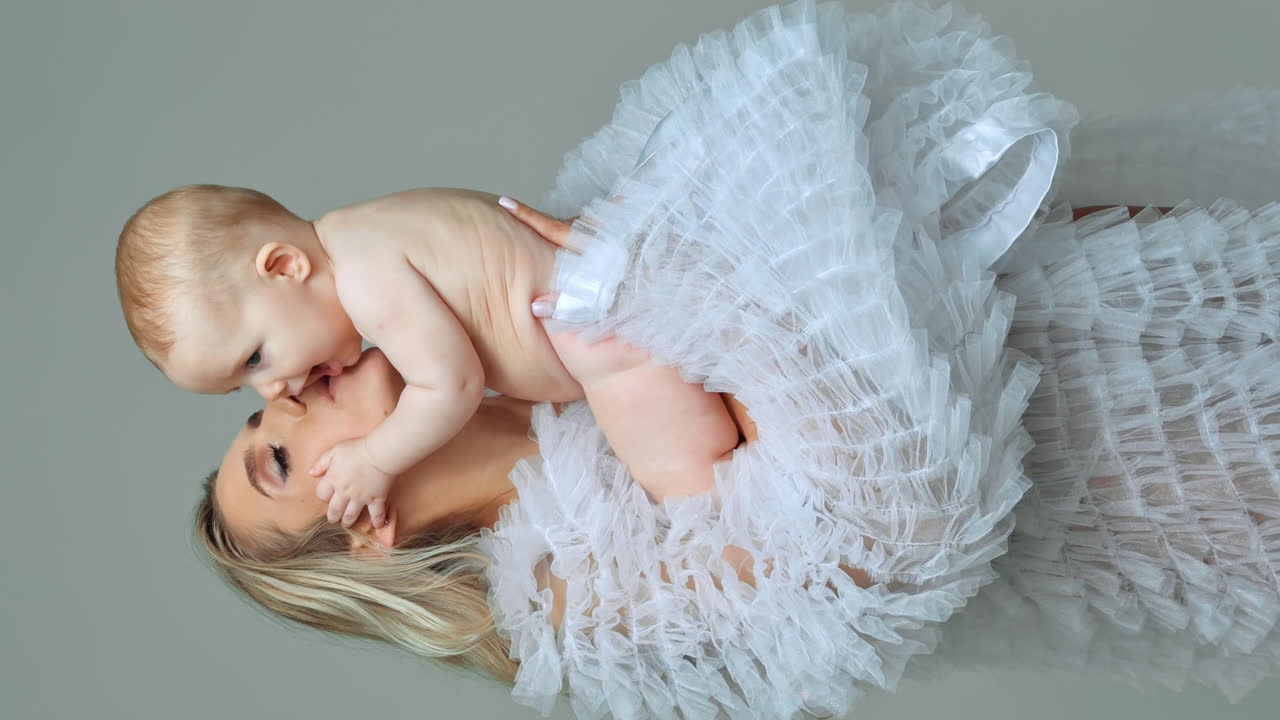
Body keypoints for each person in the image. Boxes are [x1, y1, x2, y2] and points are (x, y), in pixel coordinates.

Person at [196, 0, 1280, 717]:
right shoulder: (578, 594)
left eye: (258, 411)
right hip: (1167, 468)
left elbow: (847, 251)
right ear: (367, 539)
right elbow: (888, 527)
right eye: (276, 463)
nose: (281, 396)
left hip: (1143, 285)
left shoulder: (526, 330)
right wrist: (674, 300)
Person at [117, 184, 738, 530]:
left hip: (600, 329)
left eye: (255, 358)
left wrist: (375, 458)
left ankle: (748, 514)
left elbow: (453, 385)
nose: (276, 390)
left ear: (285, 266)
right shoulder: (360, 228)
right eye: (243, 387)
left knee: (692, 495)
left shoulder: (366, 281)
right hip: (598, 289)